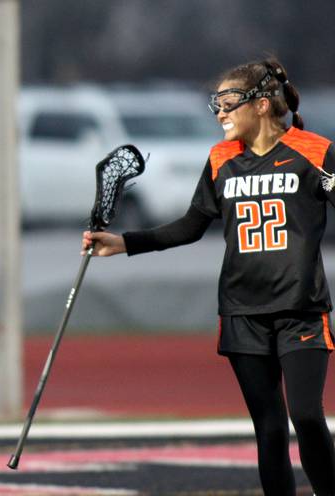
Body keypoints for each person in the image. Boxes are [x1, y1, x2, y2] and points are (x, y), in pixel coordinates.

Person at [83, 58, 335, 496]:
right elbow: (189, 225)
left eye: (228, 102)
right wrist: (124, 243)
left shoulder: (315, 152)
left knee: (308, 417)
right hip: (242, 313)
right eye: (214, 103)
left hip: (302, 310)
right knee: (270, 431)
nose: (219, 112)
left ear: (261, 104)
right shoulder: (221, 159)